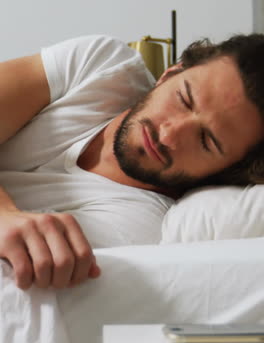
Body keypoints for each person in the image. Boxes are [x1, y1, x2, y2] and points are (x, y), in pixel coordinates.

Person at [0, 33, 264, 291]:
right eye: (183, 99)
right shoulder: (104, 66)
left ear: (227, 173)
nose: (169, 134)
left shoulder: (140, 228)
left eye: (206, 141)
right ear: (170, 74)